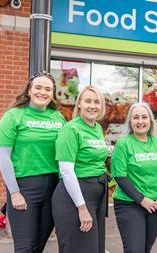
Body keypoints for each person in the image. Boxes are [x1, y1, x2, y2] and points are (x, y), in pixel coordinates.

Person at [0, 71, 66, 253]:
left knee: (39, 246)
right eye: (38, 87)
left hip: (54, 186)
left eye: (48, 89)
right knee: (25, 248)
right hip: (24, 187)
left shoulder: (58, 118)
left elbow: (67, 154)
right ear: (29, 90)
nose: (43, 92)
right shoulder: (13, 116)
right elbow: (3, 157)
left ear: (52, 94)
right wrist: (14, 192)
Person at [52, 86, 108, 253]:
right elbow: (67, 171)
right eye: (88, 101)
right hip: (75, 198)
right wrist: (81, 208)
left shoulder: (97, 128)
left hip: (96, 197)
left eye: (97, 102)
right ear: (79, 105)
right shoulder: (70, 130)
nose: (93, 106)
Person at [111, 102, 157, 253]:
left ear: (150, 120)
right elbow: (120, 177)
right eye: (136, 117)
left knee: (146, 249)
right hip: (130, 204)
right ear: (130, 121)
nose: (140, 121)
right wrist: (142, 200)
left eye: (144, 117)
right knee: (135, 250)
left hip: (155, 205)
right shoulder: (123, 144)